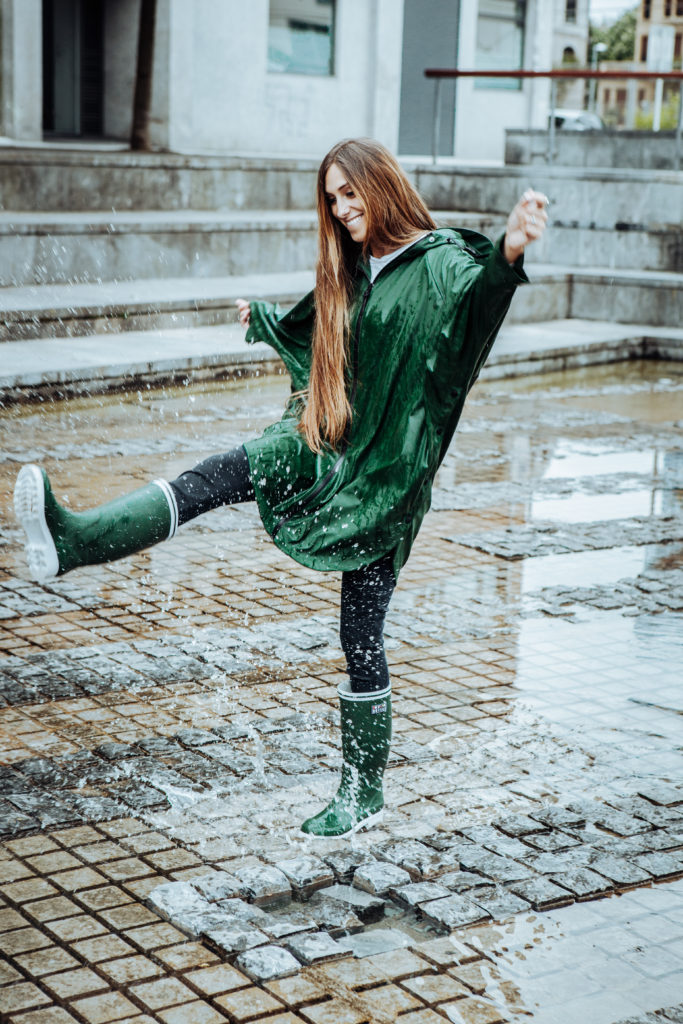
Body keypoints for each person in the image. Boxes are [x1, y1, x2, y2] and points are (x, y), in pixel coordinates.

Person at [14, 138, 547, 839]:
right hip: (322, 444)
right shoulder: (351, 270)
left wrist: (507, 256)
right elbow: (313, 327)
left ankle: (362, 788)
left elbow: (476, 310)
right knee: (224, 470)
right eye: (332, 198)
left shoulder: (444, 261)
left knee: (359, 632)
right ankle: (77, 539)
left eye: (349, 193)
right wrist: (266, 320)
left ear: (381, 186)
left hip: (385, 480)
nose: (341, 208)